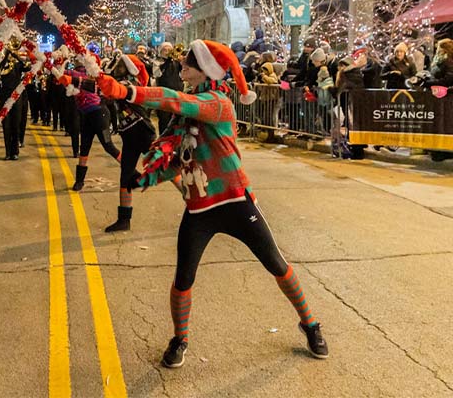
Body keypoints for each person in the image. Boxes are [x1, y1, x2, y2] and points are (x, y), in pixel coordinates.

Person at [97, 39, 328, 367]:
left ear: (205, 70)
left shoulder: (218, 103)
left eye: (187, 65)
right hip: (199, 209)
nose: (182, 70)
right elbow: (179, 161)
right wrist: (145, 179)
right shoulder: (184, 120)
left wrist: (126, 92)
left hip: (235, 202)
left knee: (276, 264)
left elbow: (174, 100)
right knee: (183, 279)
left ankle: (311, 324)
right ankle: (180, 339)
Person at [100, 53, 155, 232]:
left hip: (141, 132)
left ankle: (193, 203)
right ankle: (124, 219)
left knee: (167, 166)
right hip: (129, 135)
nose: (115, 67)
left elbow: (112, 92)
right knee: (125, 177)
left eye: (119, 65)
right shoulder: (121, 82)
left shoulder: (127, 84)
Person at [59, 54, 121, 191]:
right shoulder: (83, 73)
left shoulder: (84, 74)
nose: (75, 62)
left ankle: (132, 172)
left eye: (77, 60)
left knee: (108, 146)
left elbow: (60, 73)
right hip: (89, 115)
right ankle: (79, 181)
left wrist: (58, 60)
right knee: (85, 147)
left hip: (99, 115)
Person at [154, 42, 183, 134]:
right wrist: (167, 61)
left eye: (169, 50)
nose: (167, 52)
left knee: (176, 119)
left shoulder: (176, 62)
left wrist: (182, 61)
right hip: (164, 94)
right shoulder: (157, 61)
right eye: (165, 50)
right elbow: (157, 73)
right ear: (160, 51)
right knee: (164, 119)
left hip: (176, 93)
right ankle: (163, 139)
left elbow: (183, 73)